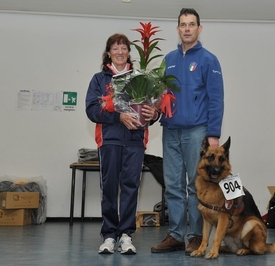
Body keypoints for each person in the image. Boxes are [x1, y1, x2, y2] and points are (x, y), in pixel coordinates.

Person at [151, 8, 224, 255]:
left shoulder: (209, 60)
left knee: (195, 186)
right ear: (178, 28)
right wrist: (152, 112)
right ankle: (175, 234)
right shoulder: (168, 59)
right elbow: (161, 97)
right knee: (172, 185)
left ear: (199, 28)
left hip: (197, 132)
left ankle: (194, 236)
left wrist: (213, 134)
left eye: (192, 24)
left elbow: (216, 99)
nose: (187, 28)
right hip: (170, 131)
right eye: (183, 24)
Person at [85, 33, 158, 255]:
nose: (119, 52)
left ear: (128, 52)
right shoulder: (100, 79)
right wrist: (118, 117)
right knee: (109, 188)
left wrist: (153, 113)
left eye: (123, 48)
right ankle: (108, 235)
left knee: (130, 187)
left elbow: (152, 112)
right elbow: (91, 110)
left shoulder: (140, 78)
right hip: (109, 141)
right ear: (108, 53)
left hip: (135, 141)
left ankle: (126, 235)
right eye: (115, 48)